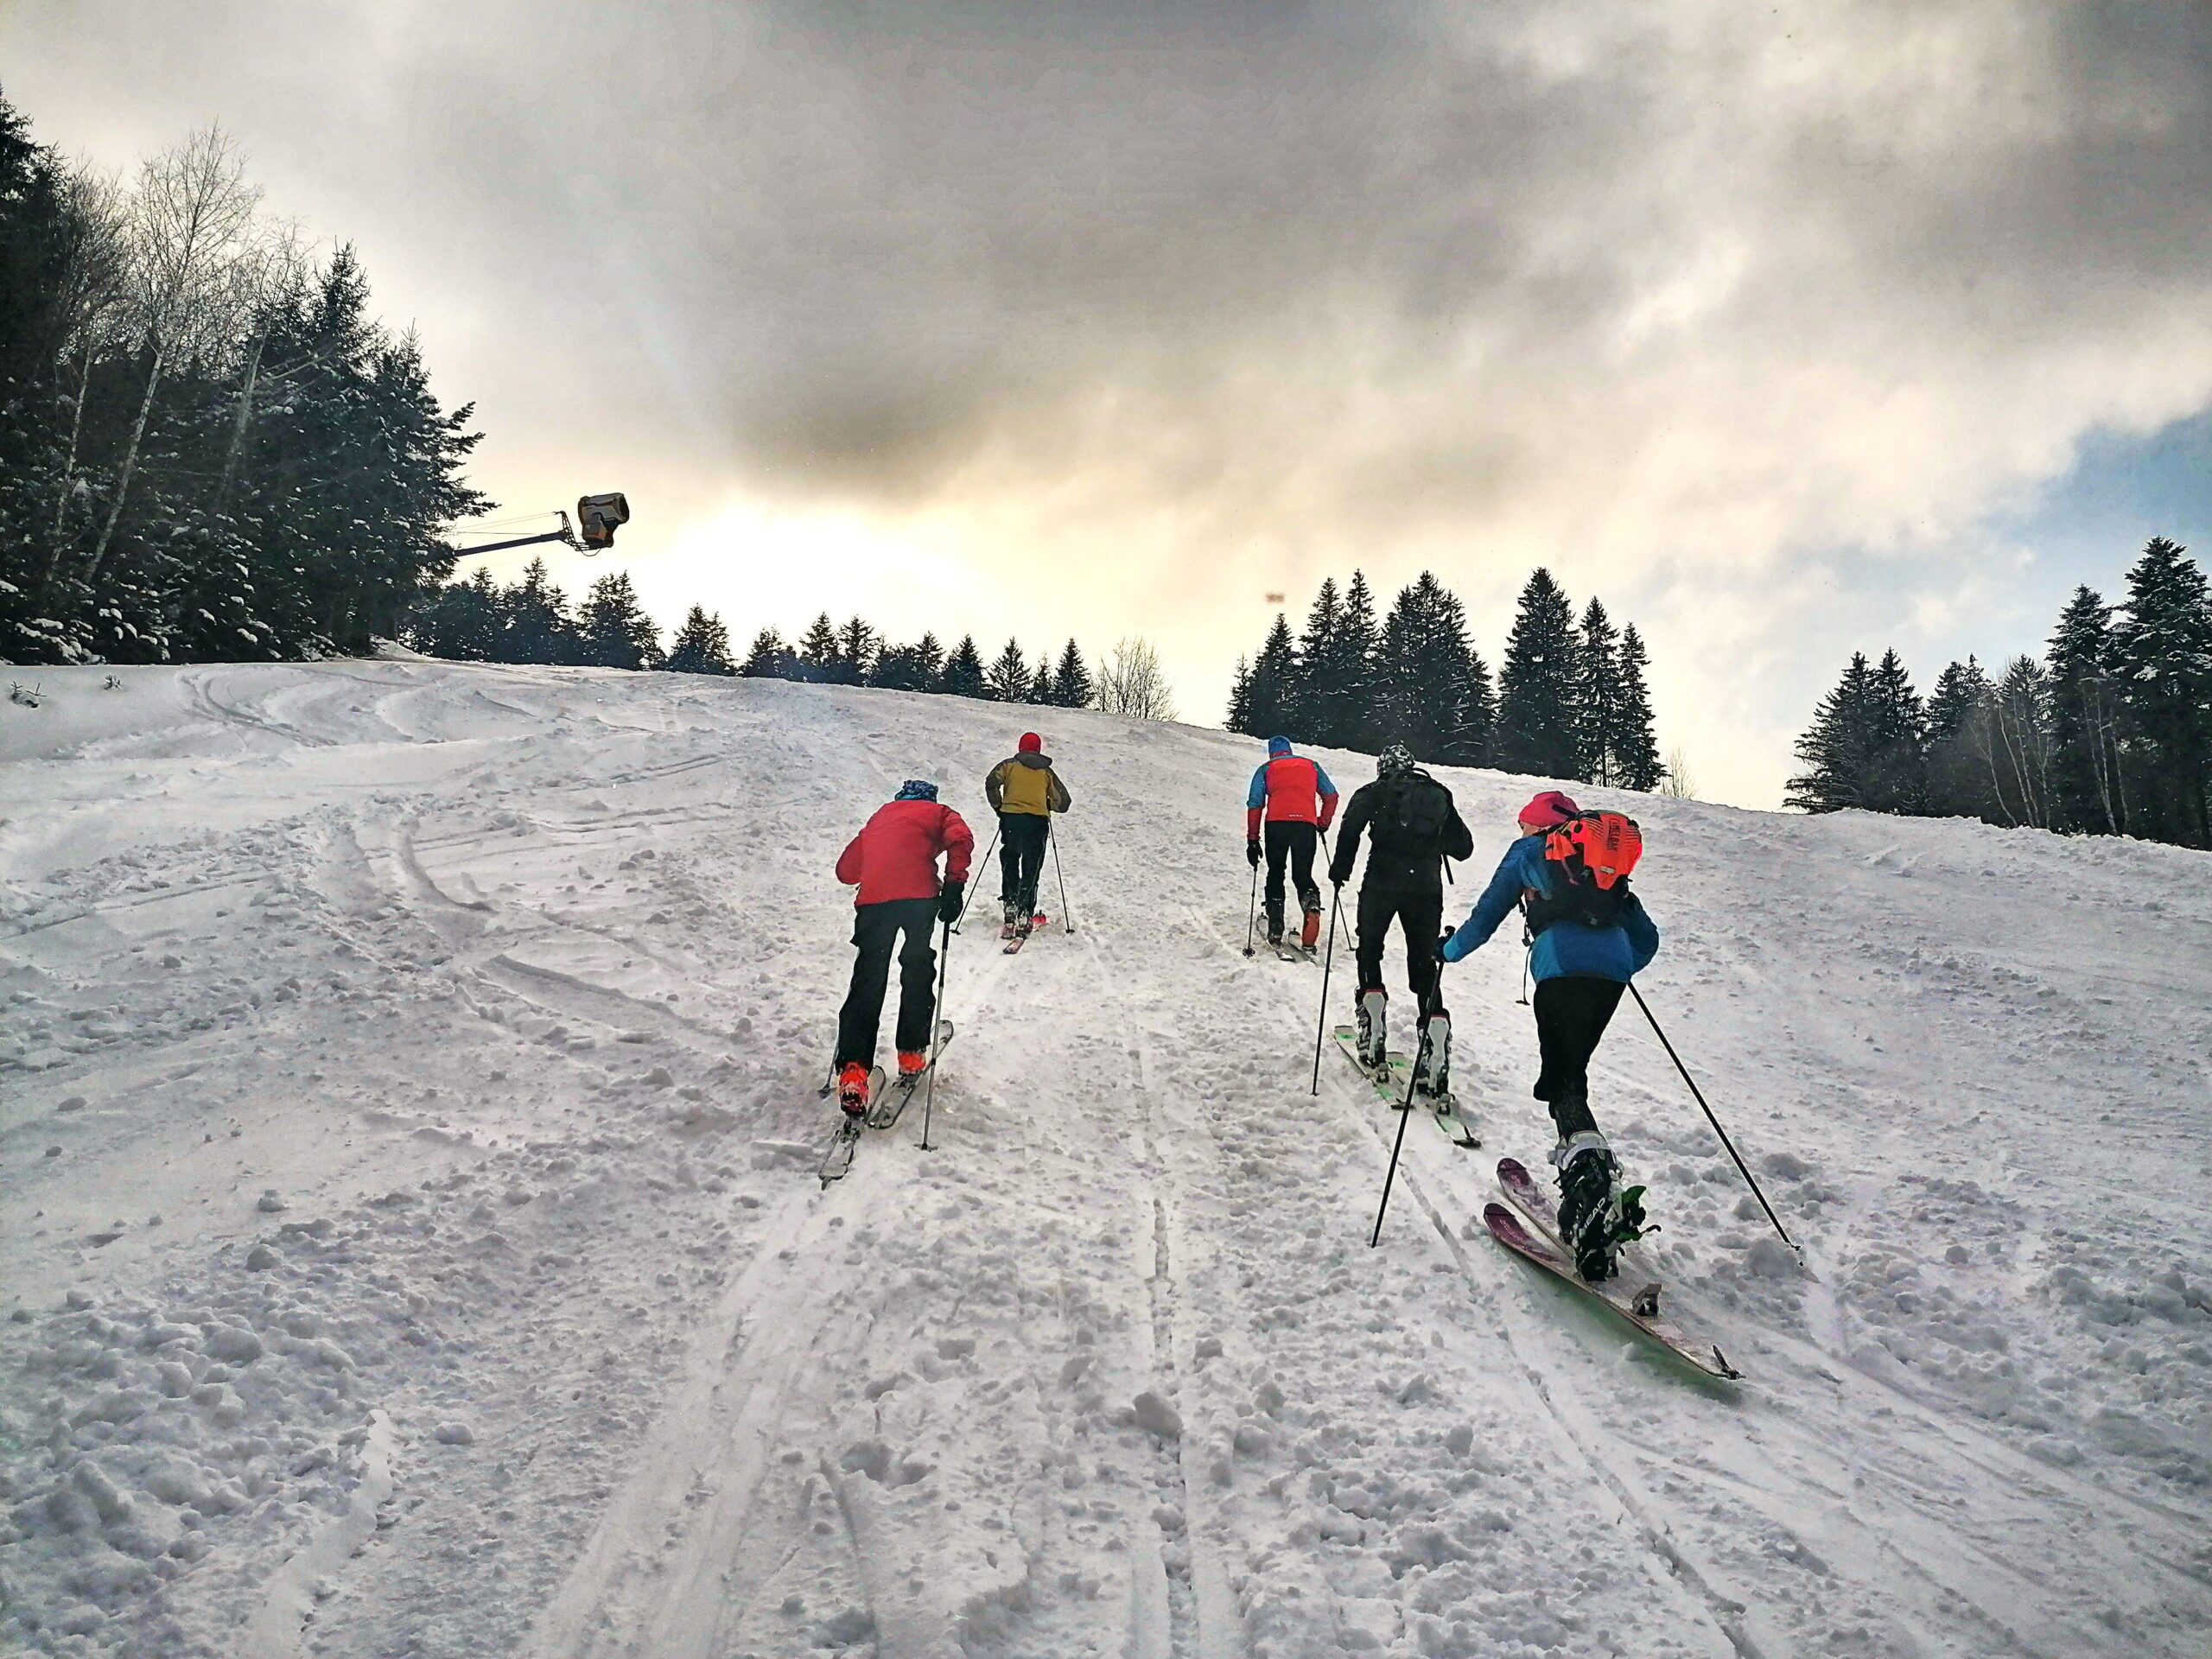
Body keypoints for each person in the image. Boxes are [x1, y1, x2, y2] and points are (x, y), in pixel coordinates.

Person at [1439, 789, 1660, 1280]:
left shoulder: (1530, 851)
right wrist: (1615, 963)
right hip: (1612, 973)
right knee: (1571, 1076)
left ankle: (1592, 1187)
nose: (1521, 832)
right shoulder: (1601, 863)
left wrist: (1447, 952)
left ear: (1536, 824)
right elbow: (1647, 938)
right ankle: (1589, 1194)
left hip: (1559, 966)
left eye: (1524, 825)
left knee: (1562, 1083)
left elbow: (1485, 918)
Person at [1327, 742, 1472, 1096]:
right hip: (1426, 885)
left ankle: (1372, 1021)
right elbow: (1464, 848)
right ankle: (1434, 1034)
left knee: (1370, 949)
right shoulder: (1437, 793)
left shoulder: (1373, 792)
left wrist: (1340, 870)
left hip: (1382, 881)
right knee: (1424, 962)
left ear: (1382, 768)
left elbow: (1350, 829)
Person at [831, 779, 975, 1116]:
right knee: (916, 966)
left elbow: (846, 871)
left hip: (874, 904)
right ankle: (911, 1053)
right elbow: (961, 839)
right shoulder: (939, 812)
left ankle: (853, 1071)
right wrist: (954, 885)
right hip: (918, 901)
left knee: (868, 978)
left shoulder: (881, 816)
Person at [1245, 736, 1339, 949]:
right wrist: (1322, 823)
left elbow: (1255, 804)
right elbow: (1331, 796)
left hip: (1276, 826)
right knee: (1302, 875)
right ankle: (1311, 904)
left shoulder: (1266, 769)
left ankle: (1276, 925)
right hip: (1305, 826)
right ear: (1289, 750)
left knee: (1276, 872)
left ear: (1272, 753)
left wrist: (1253, 839)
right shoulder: (1311, 766)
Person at [983, 732, 1072, 934]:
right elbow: (1063, 803)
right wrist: (1047, 804)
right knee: (1032, 864)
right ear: (1039, 749)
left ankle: (1010, 903)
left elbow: (991, 782)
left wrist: (999, 806)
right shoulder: (1046, 773)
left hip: (1012, 820)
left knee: (1010, 858)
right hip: (1037, 822)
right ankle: (1025, 911)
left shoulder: (1008, 766)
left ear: (1020, 747)